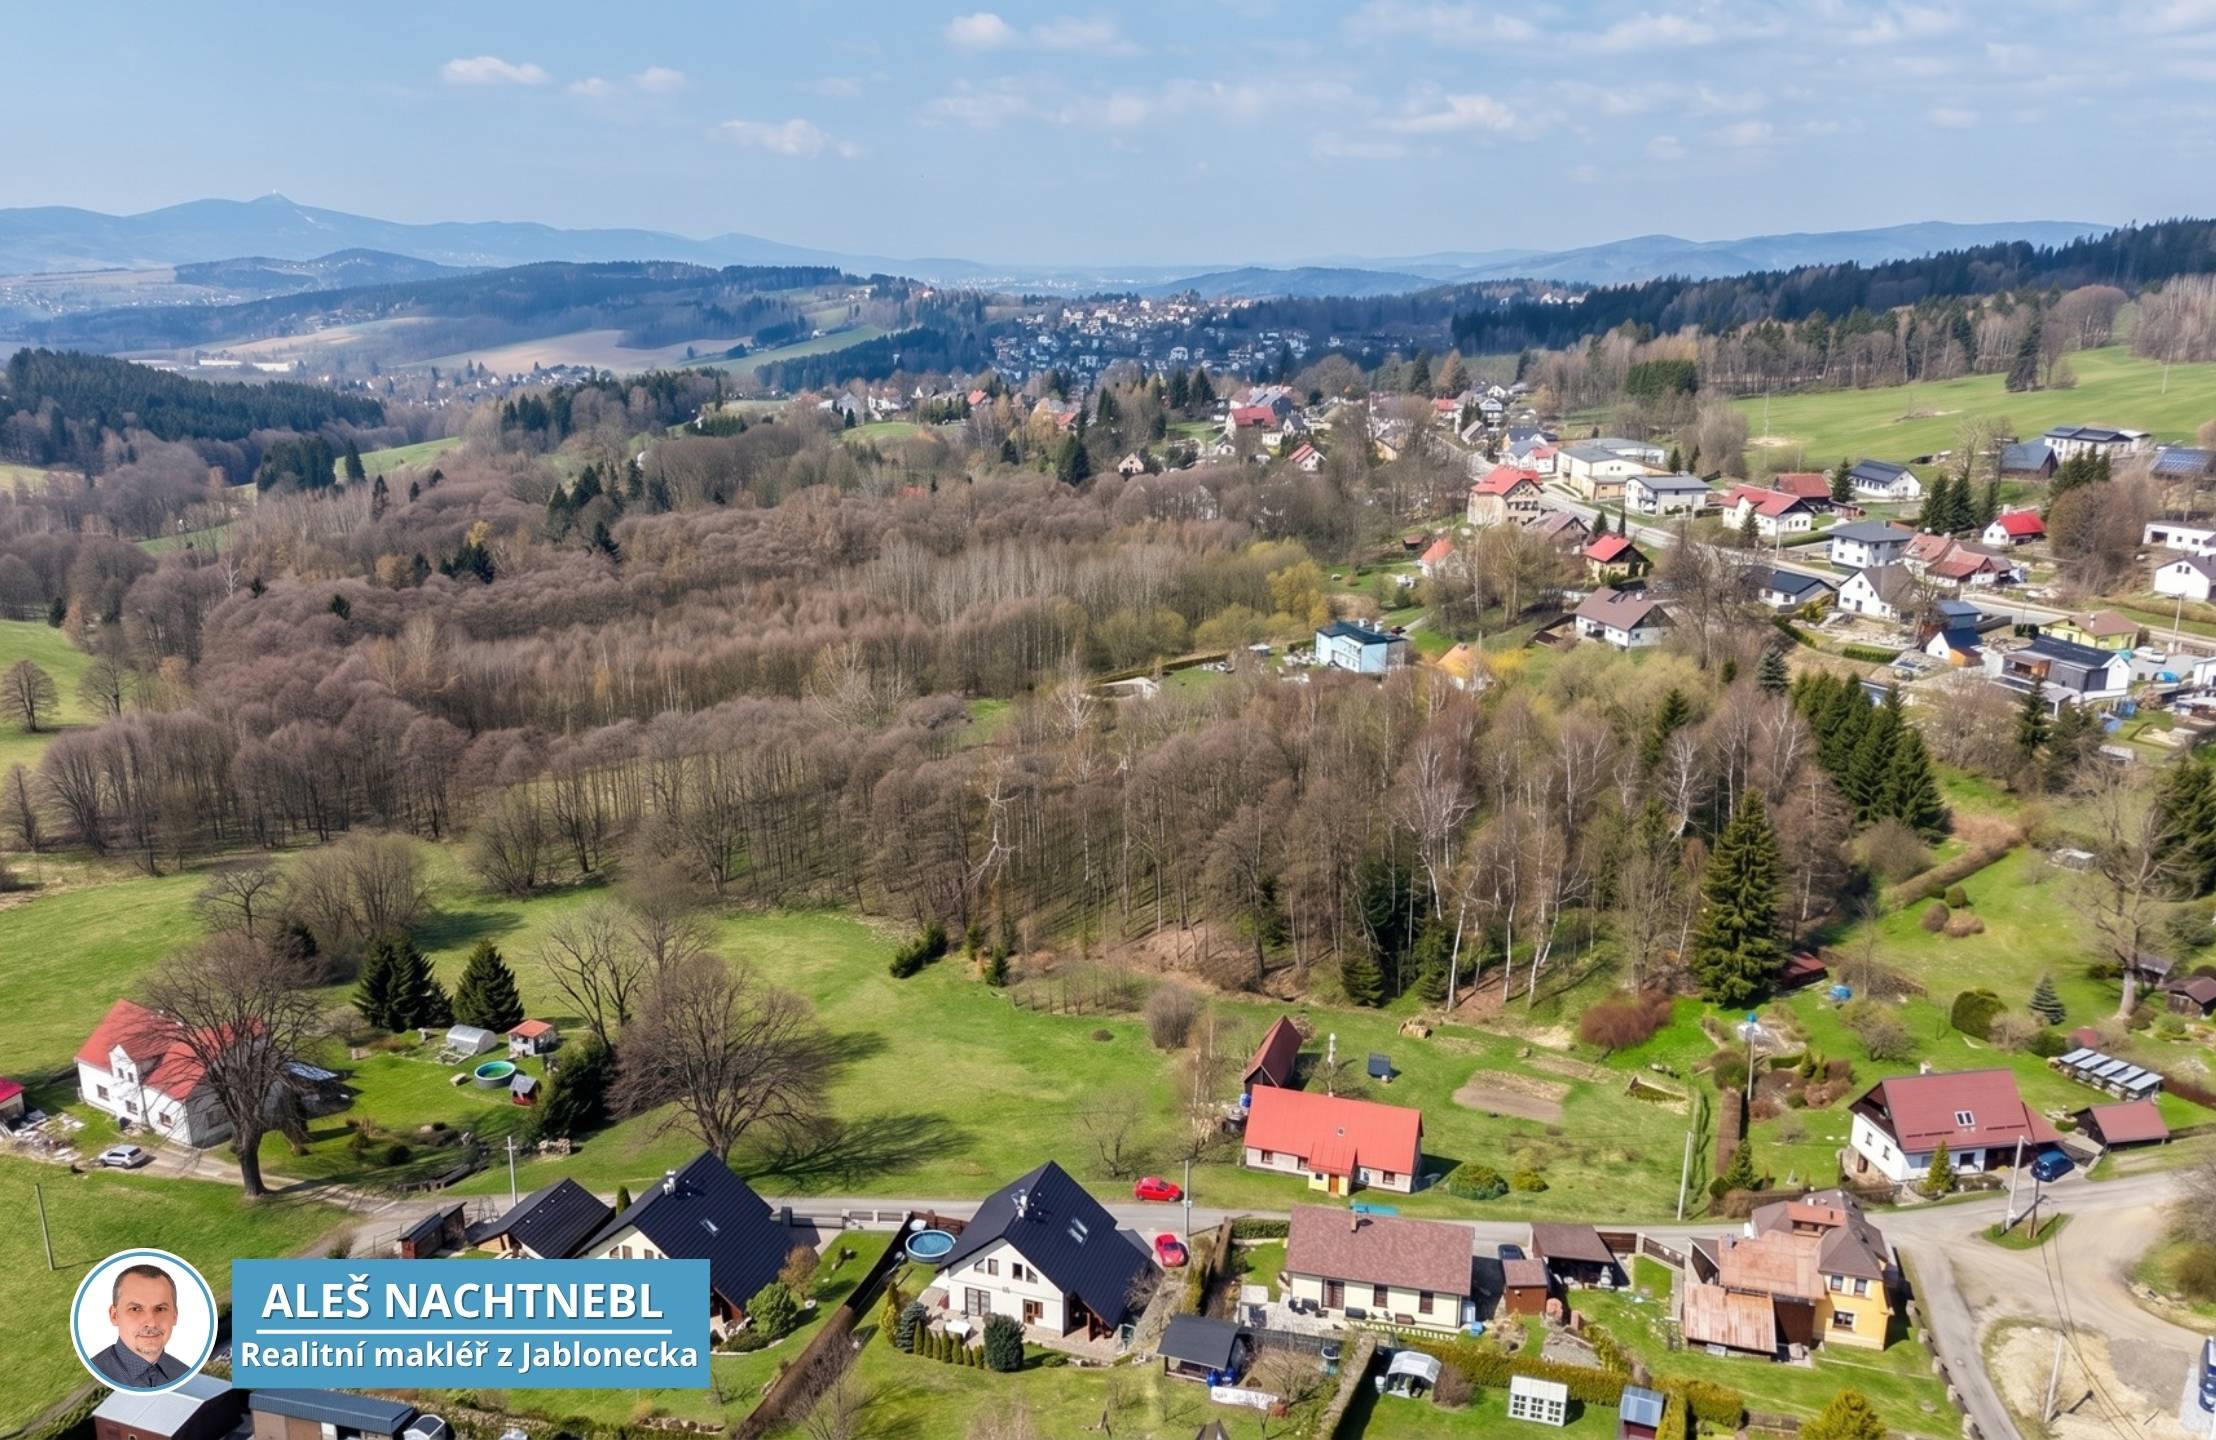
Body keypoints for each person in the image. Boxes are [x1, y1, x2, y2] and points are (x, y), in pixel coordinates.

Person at [89, 1262, 190, 1389]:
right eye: (136, 1309)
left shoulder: (184, 1373)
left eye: (160, 1309)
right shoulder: (93, 1376)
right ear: (114, 1316)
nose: (151, 1322)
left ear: (175, 1316)